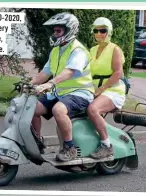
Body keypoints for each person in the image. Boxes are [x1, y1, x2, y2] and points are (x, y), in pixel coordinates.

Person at [30, 12, 95, 162]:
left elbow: (69, 72)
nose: (54, 34)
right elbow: (45, 73)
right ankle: (37, 143)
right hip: (60, 93)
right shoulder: (56, 50)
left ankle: (69, 147)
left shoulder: (78, 51)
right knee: (32, 107)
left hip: (80, 93)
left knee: (58, 109)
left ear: (69, 30)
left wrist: (50, 83)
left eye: (58, 31)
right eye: (54, 31)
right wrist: (29, 83)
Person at [87, 17, 126, 159]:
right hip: (95, 90)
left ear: (109, 32)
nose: (99, 34)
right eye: (96, 31)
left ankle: (106, 145)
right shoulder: (92, 50)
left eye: (102, 30)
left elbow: (118, 73)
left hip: (113, 90)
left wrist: (101, 89)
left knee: (93, 109)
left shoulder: (114, 49)